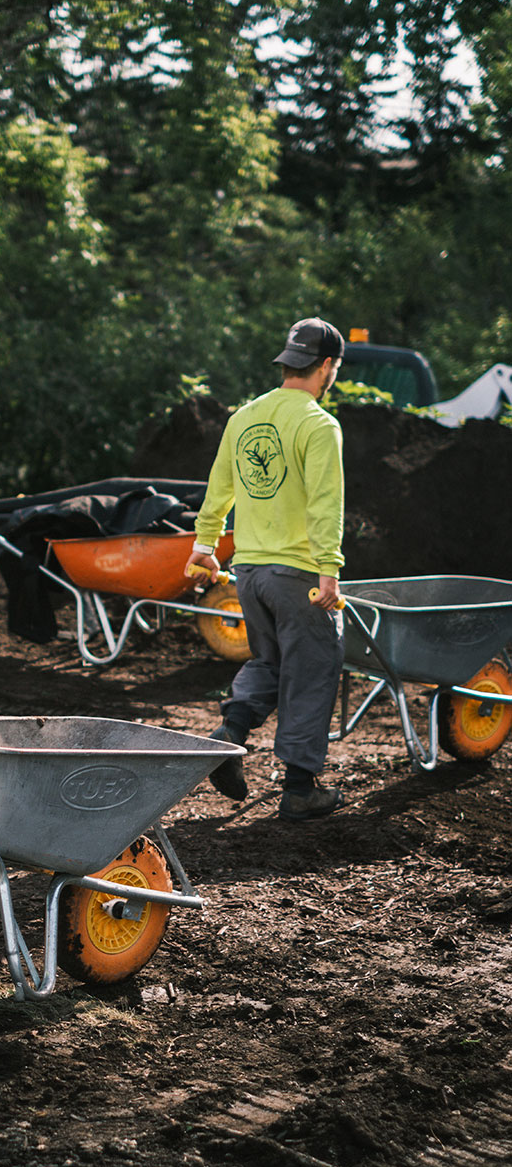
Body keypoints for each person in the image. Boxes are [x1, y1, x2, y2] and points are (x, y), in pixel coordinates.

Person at [186, 316, 347, 822]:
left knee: (272, 662)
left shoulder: (245, 417)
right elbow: (325, 505)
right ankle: (301, 788)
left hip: (250, 571)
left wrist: (204, 544)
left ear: (288, 362)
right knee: (315, 667)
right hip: (298, 574)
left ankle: (228, 735)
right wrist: (329, 570)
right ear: (326, 366)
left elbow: (219, 486)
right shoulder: (319, 425)